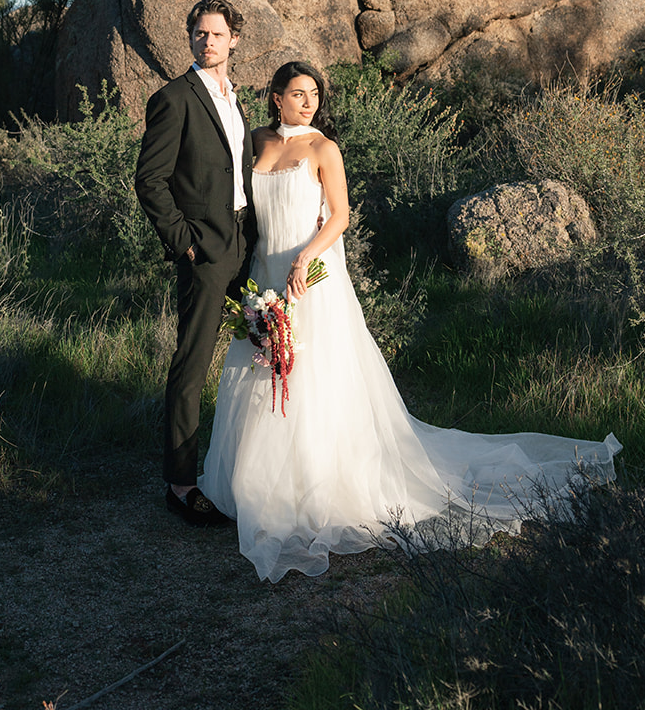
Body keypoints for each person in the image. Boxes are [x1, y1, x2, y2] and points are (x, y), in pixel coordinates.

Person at [200, 61, 621, 582]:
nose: (307, 103)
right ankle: (258, 484)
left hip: (309, 271)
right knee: (262, 370)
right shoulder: (259, 143)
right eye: (296, 94)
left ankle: (317, 485)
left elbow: (341, 216)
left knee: (313, 376)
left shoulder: (323, 149)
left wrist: (305, 258)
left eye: (313, 94)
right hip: (264, 271)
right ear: (275, 96)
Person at [134, 0, 257, 527]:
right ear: (189, 39)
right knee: (192, 364)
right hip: (203, 249)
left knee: (259, 350)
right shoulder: (174, 98)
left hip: (245, 243)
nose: (208, 42)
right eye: (199, 34)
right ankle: (181, 483)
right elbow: (150, 179)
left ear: (234, 40)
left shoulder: (237, 101)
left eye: (217, 34)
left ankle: (248, 469)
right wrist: (183, 240)